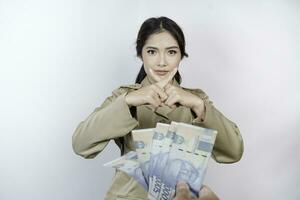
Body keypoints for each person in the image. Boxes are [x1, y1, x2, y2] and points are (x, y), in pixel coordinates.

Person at [72, 16, 244, 200]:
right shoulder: (124, 95)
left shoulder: (196, 99)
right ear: (141, 55)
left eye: (171, 52)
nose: (162, 62)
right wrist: (128, 102)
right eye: (152, 52)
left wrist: (199, 106)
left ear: (181, 56)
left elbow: (234, 152)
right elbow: (81, 144)